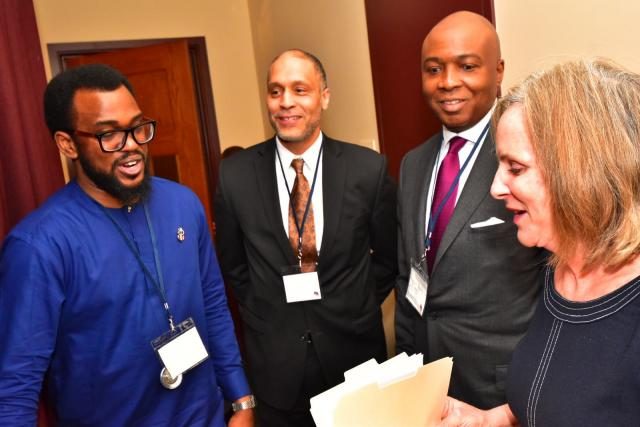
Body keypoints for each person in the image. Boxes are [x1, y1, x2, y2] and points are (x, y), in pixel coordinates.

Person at [0, 64, 254, 426]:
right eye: (109, 135)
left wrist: (242, 401)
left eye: (136, 128)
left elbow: (213, 307)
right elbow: (15, 388)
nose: (132, 145)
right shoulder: (39, 246)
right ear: (67, 144)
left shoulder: (183, 205)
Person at [440, 58, 640, 426]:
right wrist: (491, 419)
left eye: (515, 169)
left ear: (582, 173)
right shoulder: (559, 270)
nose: (496, 188)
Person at [214, 49, 397, 426]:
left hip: (354, 360)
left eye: (300, 89)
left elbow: (388, 260)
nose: (286, 102)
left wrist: (351, 302)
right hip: (276, 366)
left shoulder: (367, 169)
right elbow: (233, 266)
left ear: (324, 97)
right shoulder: (234, 176)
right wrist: (269, 310)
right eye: (275, 91)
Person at [394, 10, 546, 409]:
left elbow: (562, 278)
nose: (447, 82)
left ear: (498, 72)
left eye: (466, 66)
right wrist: (408, 363)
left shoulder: (530, 157)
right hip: (429, 384)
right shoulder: (413, 163)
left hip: (503, 389)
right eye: (433, 68)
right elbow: (409, 273)